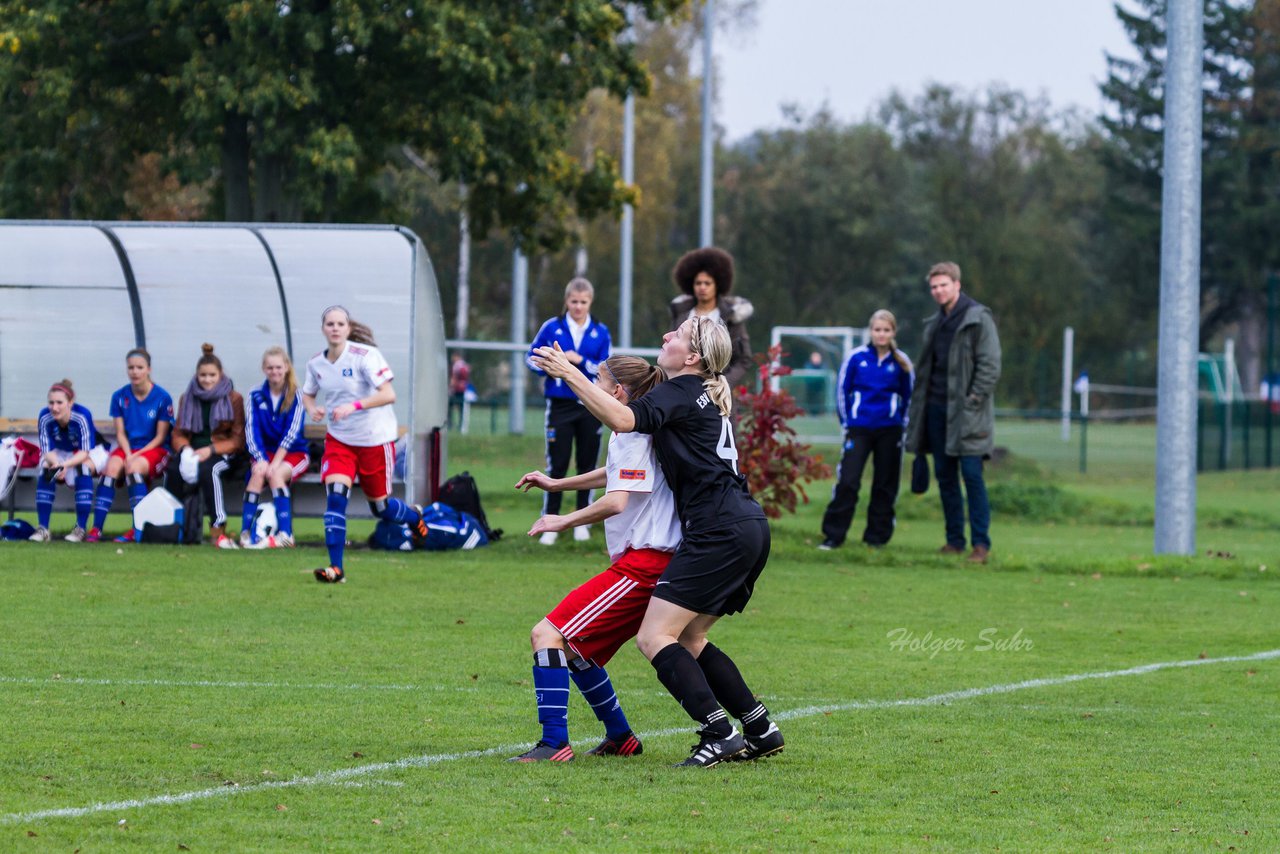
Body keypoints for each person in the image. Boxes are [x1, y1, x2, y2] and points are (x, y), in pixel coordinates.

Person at [533, 315, 783, 767]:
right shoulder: (703, 394)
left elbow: (624, 418)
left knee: (653, 636)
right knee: (691, 637)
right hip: (746, 524)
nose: (665, 335)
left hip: (718, 530)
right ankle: (760, 727)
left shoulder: (680, 390)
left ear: (692, 357)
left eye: (678, 334)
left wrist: (569, 373)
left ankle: (718, 731)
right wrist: (558, 485)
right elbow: (631, 461)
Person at [509, 356, 680, 762]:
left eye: (597, 380)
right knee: (576, 649)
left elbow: (617, 500)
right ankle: (620, 737)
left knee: (546, 636)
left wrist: (563, 520)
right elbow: (616, 472)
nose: (591, 387)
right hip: (649, 563)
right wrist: (557, 482)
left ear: (617, 391)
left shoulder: (634, 432)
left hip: (644, 565)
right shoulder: (636, 429)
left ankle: (554, 743)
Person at [303, 305, 429, 583]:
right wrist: (312, 409)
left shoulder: (365, 356)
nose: (335, 328)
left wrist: (354, 406)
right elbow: (308, 394)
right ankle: (336, 569)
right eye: (330, 324)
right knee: (335, 499)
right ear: (323, 328)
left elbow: (389, 394)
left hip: (374, 441)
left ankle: (413, 516)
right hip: (340, 442)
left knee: (380, 508)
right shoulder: (316, 364)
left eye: (340, 324)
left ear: (349, 329)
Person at [904, 262, 1002, 563]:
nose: (938, 291)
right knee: (945, 478)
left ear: (957, 284)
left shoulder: (978, 318)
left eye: (943, 284)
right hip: (935, 410)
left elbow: (990, 365)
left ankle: (981, 545)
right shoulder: (934, 323)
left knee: (972, 478)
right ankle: (954, 541)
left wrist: (972, 399)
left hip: (968, 414)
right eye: (934, 287)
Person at [526, 277, 611, 545]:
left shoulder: (601, 331)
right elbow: (531, 357)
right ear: (566, 301)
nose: (578, 307)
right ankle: (550, 519)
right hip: (560, 405)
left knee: (587, 464)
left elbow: (605, 367)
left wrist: (579, 361)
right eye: (574, 301)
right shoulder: (552, 327)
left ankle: (581, 520)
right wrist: (550, 365)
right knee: (558, 462)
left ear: (590, 302)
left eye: (583, 302)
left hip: (590, 405)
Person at [819, 310, 914, 550]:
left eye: (886, 330)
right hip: (859, 429)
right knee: (848, 481)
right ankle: (833, 536)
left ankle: (876, 538)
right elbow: (842, 391)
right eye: (877, 330)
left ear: (893, 332)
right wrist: (847, 423)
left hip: (890, 430)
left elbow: (909, 397)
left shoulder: (901, 362)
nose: (881, 334)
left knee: (885, 483)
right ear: (871, 331)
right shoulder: (856, 358)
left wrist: (902, 424)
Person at [87, 348, 175, 543]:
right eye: (131, 368)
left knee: (133, 468)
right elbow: (120, 433)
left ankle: (138, 528)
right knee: (111, 468)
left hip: (154, 449)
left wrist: (136, 456)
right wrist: (127, 453)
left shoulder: (162, 397)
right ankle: (96, 529)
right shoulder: (119, 396)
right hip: (129, 448)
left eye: (139, 367)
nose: (135, 372)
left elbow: (161, 437)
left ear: (148, 370)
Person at [165, 344, 248, 548]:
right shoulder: (187, 397)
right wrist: (185, 449)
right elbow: (178, 433)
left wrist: (210, 450)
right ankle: (175, 524)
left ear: (220, 374)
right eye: (203, 375)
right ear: (197, 375)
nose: (207, 380)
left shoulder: (234, 398)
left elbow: (237, 440)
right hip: (192, 451)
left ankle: (218, 527)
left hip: (222, 453)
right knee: (173, 470)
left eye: (212, 375)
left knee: (208, 470)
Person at [239, 346, 309, 549]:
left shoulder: (297, 395)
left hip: (294, 454)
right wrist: (261, 460)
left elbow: (292, 434)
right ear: (263, 369)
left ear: (286, 368)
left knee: (275, 474)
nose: (274, 372)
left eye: (278, 367)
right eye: (270, 368)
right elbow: (251, 432)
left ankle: (286, 534)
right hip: (265, 453)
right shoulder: (255, 394)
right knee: (258, 474)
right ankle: (245, 533)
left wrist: (275, 463)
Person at [29, 379, 108, 543]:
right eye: (51, 402)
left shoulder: (82, 415)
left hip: (91, 451)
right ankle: (43, 528)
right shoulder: (45, 416)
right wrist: (56, 464)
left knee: (82, 469)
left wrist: (64, 465)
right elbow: (46, 450)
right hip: (61, 451)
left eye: (59, 402)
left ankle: (80, 528)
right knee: (46, 469)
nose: (54, 407)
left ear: (70, 402)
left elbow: (85, 451)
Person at [668, 247, 754, 390]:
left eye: (707, 283)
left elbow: (743, 360)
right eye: (698, 283)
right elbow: (670, 348)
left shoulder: (731, 317)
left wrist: (723, 384)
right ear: (691, 285)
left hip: (716, 393)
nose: (702, 287)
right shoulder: (681, 314)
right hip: (681, 387)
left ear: (717, 285)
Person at [448, 352, 472, 433]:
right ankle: (460, 426)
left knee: (456, 407)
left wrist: (452, 386)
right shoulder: (464, 365)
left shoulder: (458, 366)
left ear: (457, 357)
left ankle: (454, 425)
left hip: (458, 390)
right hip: (462, 389)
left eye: (453, 357)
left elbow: (455, 377)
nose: (452, 359)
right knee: (460, 408)